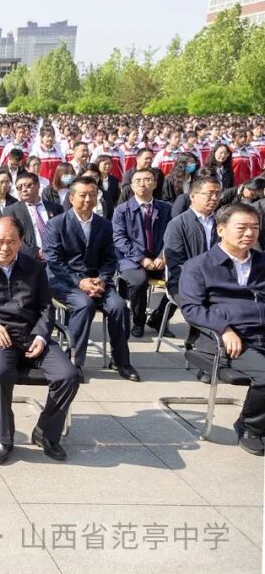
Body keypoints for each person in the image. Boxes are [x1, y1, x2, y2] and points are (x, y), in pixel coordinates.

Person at [0, 215, 79, 464]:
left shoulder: (34, 268)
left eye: (12, 242)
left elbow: (47, 306)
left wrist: (42, 336)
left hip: (32, 334)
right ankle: (4, 437)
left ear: (21, 241)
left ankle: (46, 433)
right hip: (0, 338)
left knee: (68, 375)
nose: (5, 247)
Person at [179, 203, 265, 456]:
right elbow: (192, 308)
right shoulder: (198, 266)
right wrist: (224, 328)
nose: (249, 233)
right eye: (242, 228)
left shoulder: (262, 262)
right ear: (220, 230)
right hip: (226, 340)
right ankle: (251, 427)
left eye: (255, 228)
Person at [44, 176, 138, 381]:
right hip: (65, 281)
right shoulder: (56, 224)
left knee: (119, 307)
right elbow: (54, 261)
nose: (88, 199)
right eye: (83, 195)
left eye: (93, 195)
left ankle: (121, 361)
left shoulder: (104, 225)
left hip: (97, 281)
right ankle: (74, 362)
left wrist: (102, 279)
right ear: (71, 197)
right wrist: (79, 282)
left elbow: (109, 258)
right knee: (84, 305)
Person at [112, 169, 172, 337]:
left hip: (159, 257)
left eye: (147, 180)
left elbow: (172, 236)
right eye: (138, 181)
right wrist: (141, 259)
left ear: (155, 183)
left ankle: (158, 319)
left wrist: (162, 256)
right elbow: (119, 239)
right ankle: (138, 321)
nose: (143, 184)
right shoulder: (122, 210)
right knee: (139, 282)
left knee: (182, 279)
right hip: (130, 260)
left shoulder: (166, 208)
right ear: (131, 186)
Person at [162, 176, 221, 347]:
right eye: (209, 194)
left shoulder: (222, 222)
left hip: (217, 281)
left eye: (218, 194)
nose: (214, 198)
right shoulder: (178, 224)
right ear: (193, 196)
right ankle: (202, 351)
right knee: (204, 304)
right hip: (183, 284)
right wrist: (202, 283)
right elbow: (175, 265)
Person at [6, 171, 62, 261]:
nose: (24, 190)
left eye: (28, 185)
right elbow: (12, 237)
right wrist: (36, 253)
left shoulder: (56, 208)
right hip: (29, 260)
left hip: (56, 258)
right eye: (19, 188)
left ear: (38, 185)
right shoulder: (11, 211)